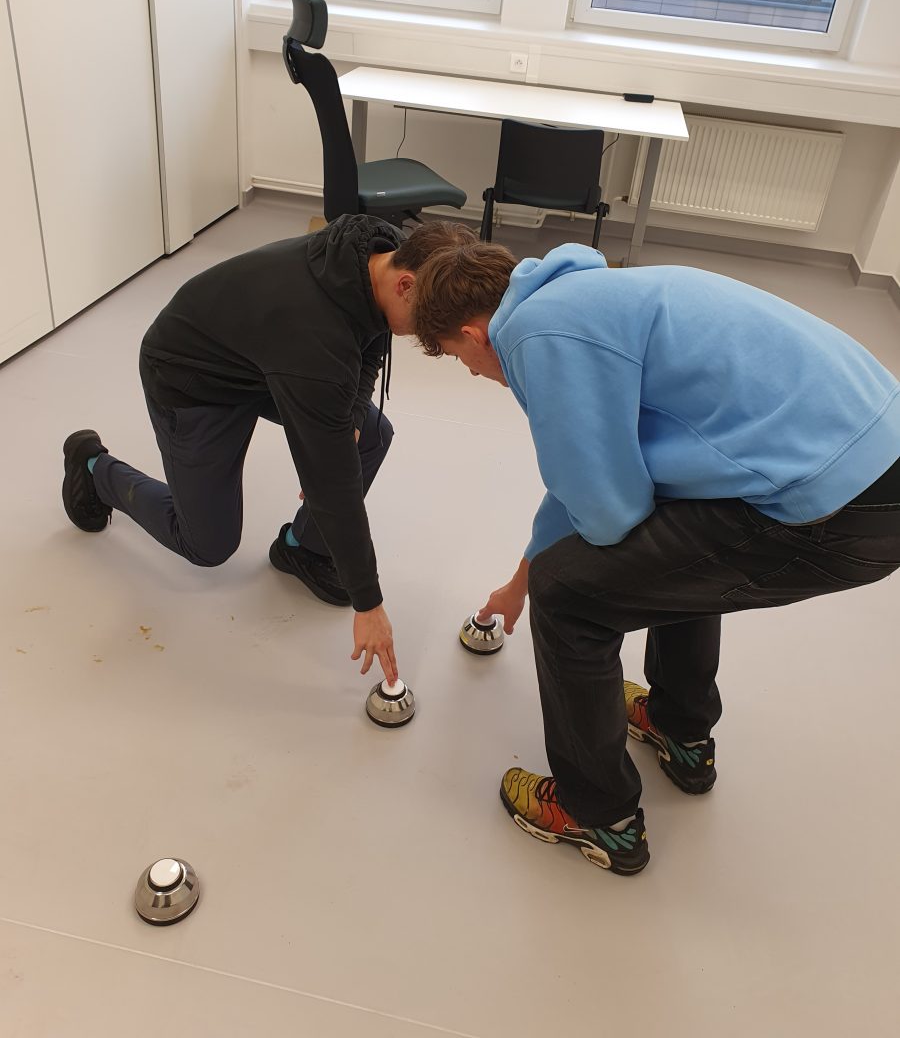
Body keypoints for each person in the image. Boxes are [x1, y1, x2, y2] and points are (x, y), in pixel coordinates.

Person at [412, 241, 900, 875]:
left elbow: (607, 513)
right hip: (872, 454)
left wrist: (537, 583)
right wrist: (516, 581)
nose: (475, 374)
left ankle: (600, 815)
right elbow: (583, 481)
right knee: (673, 546)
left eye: (460, 360)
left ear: (474, 334)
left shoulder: (536, 333)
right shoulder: (589, 299)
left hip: (840, 505)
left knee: (567, 595)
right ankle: (680, 730)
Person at [61, 215, 477, 685]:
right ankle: (93, 468)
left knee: (371, 433)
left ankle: (302, 549)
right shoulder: (314, 335)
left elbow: (372, 337)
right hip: (191, 379)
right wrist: (369, 603)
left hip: (260, 362)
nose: (417, 337)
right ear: (405, 285)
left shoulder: (391, 256)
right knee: (206, 544)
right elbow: (332, 484)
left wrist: (353, 419)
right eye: (421, 328)